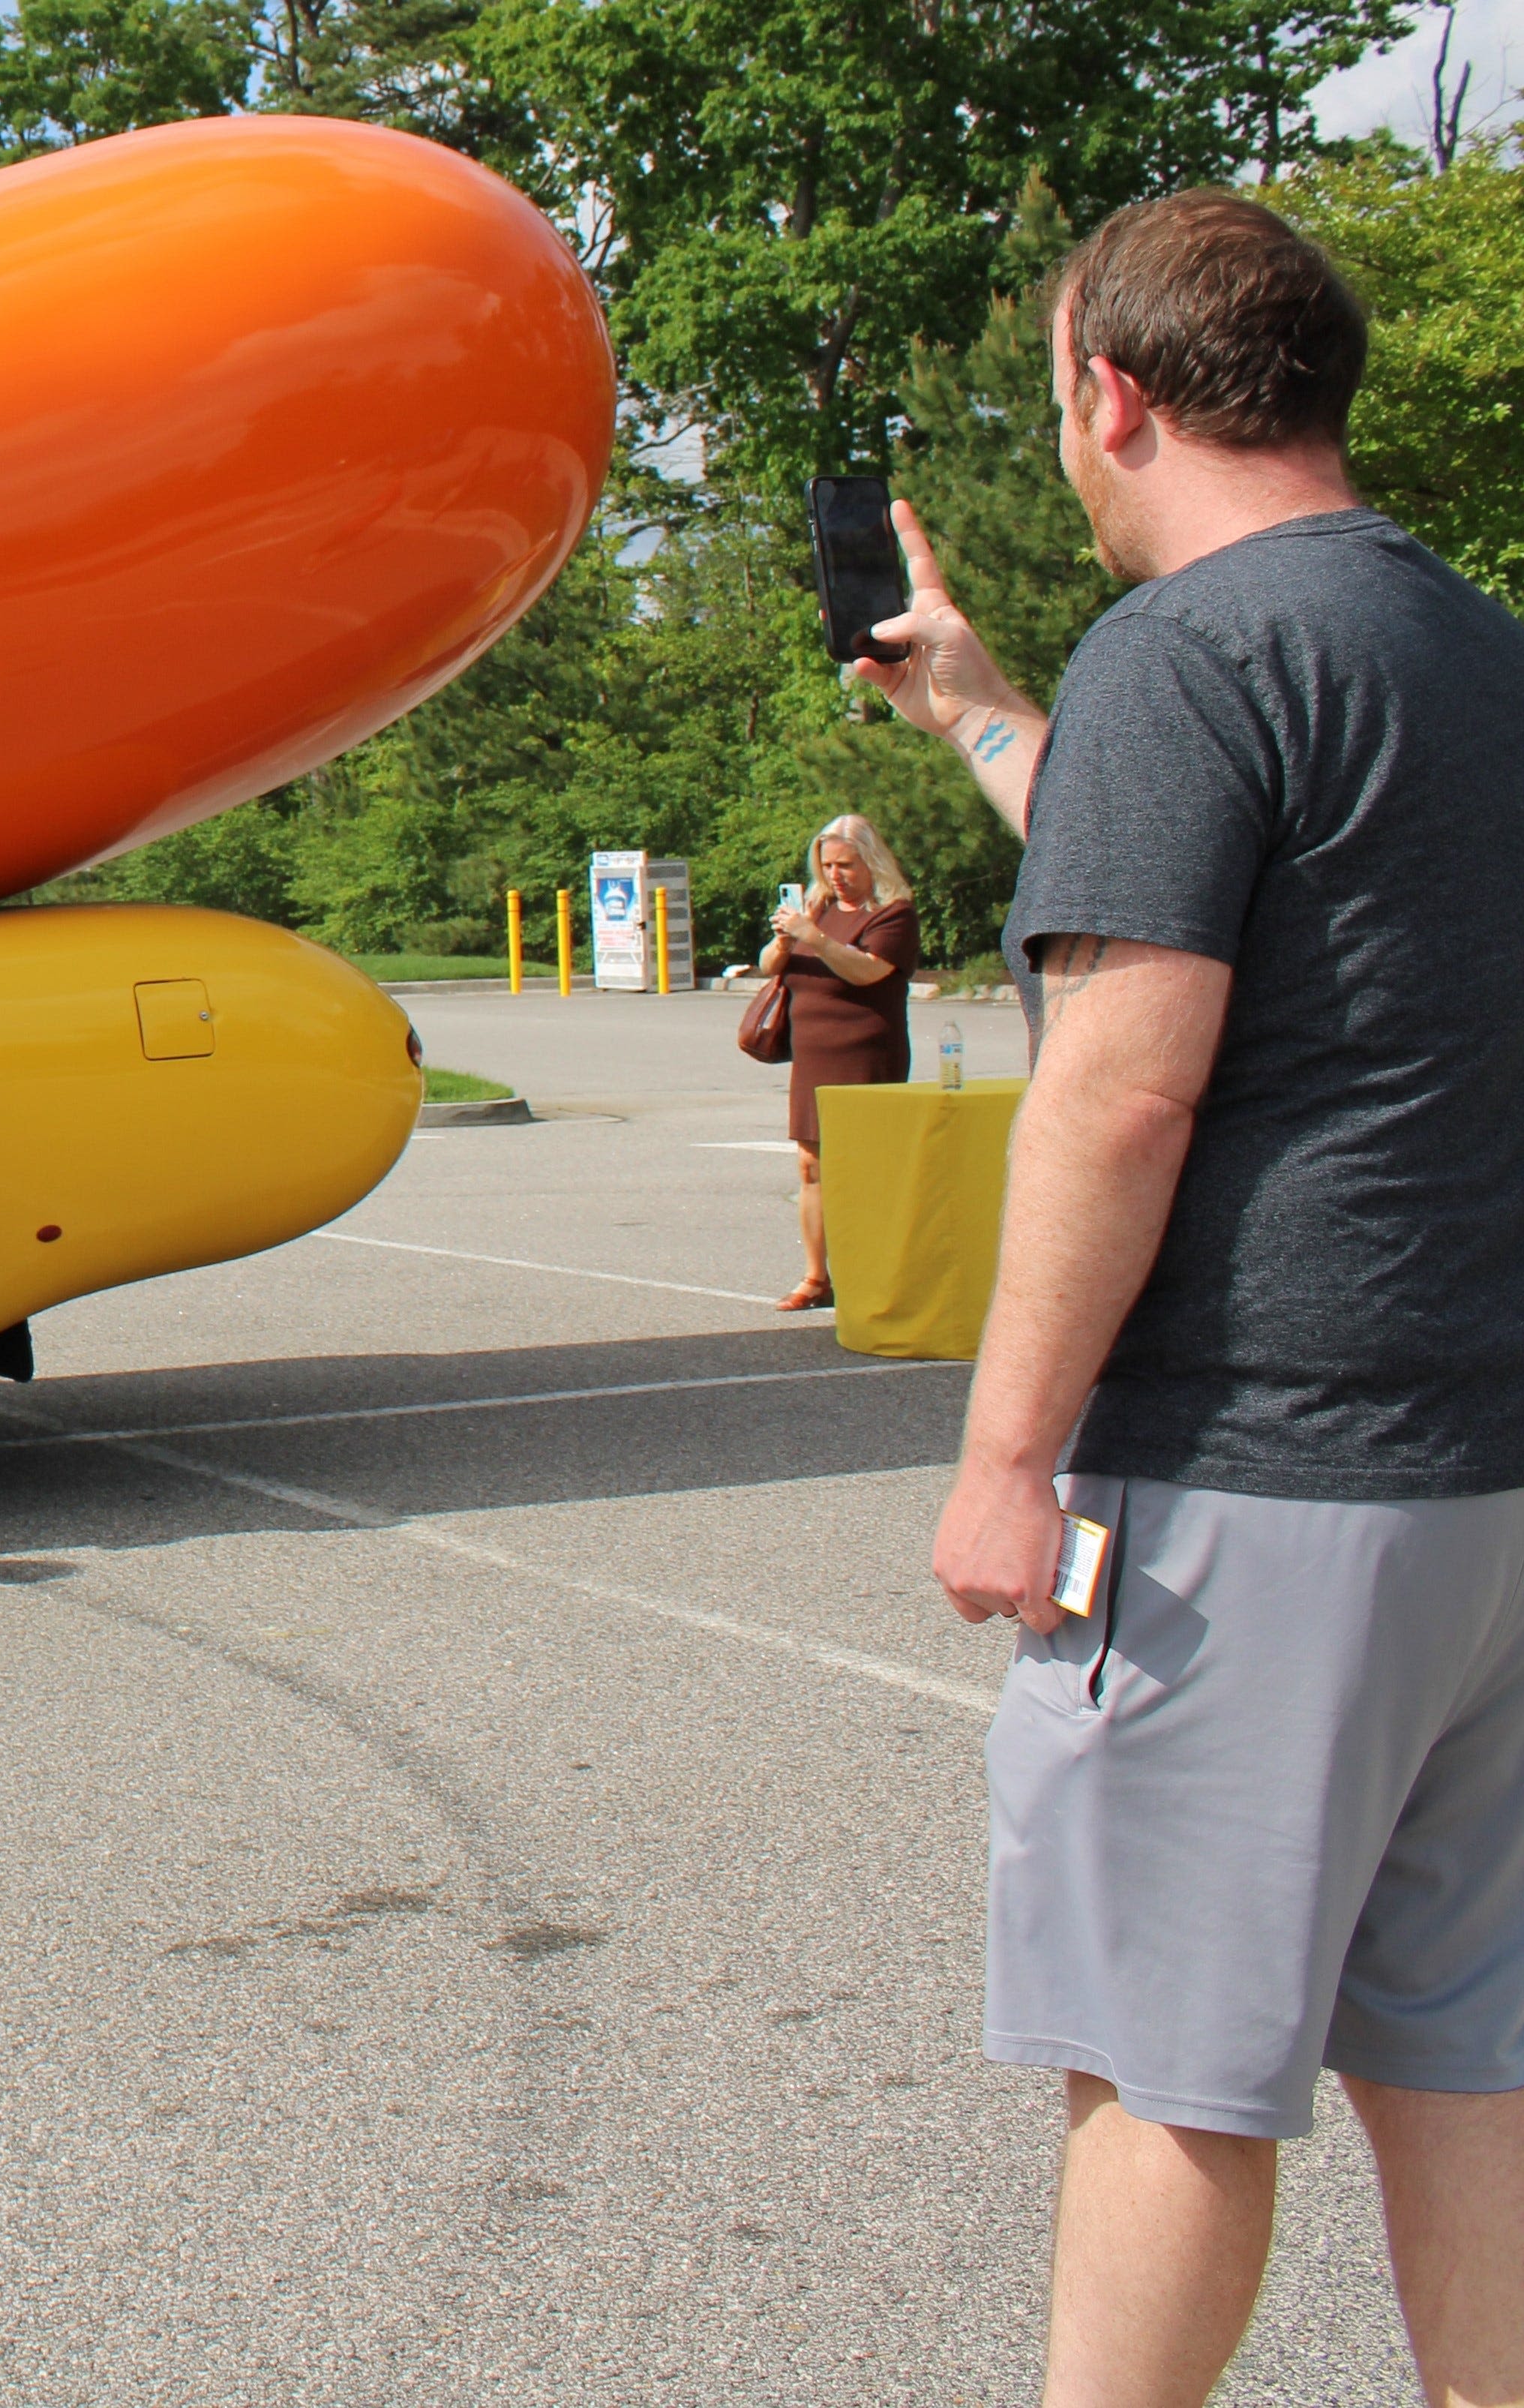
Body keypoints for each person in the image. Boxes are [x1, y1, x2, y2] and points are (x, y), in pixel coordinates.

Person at [868, 188, 1524, 2408]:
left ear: (1109, 393)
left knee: (1161, 2054)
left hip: (1251, 1474)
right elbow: (1272, 888)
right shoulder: (1464, 644)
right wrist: (970, 711)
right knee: (1462, 2046)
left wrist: (997, 1455)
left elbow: (1119, 1092)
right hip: (1480, 1477)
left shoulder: (1185, 650)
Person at [757, 813, 922, 1311]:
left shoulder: (893, 913)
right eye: (827, 865)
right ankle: (815, 1278)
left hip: (866, 1051)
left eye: (846, 865)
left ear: (871, 861)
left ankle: (875, 1272)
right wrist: (786, 941)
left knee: (866, 1167)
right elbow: (767, 966)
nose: (835, 876)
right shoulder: (817, 905)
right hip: (813, 1053)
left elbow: (867, 972)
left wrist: (817, 937)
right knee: (811, 1165)